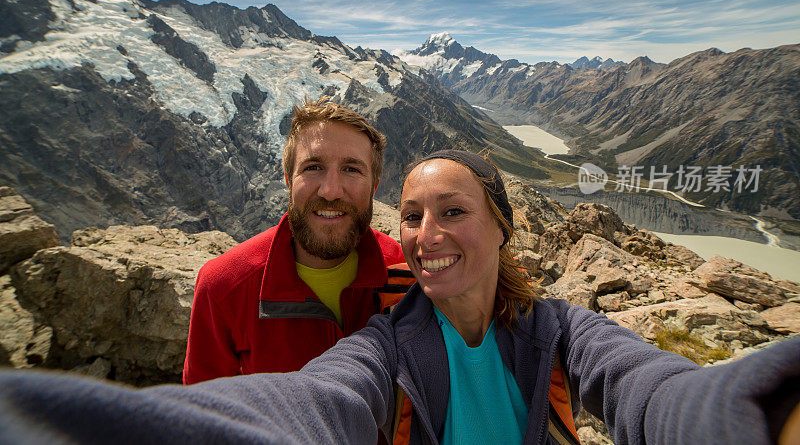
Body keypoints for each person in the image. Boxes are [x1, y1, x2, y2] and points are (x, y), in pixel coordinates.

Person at [0, 150, 798, 445]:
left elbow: (650, 388)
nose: (425, 234)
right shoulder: (385, 344)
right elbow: (319, 401)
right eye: (411, 216)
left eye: (453, 212)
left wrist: (754, 410)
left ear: (503, 227)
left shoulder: (562, 328)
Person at [182, 97, 410, 384]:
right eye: (313, 167)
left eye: (352, 169)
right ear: (289, 180)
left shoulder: (405, 272)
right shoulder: (224, 287)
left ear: (374, 187)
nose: (330, 191)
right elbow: (205, 414)